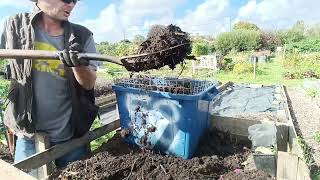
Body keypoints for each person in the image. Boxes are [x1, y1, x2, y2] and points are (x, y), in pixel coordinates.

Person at [0, 0, 100, 171]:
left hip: (70, 136)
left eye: (75, 1)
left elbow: (89, 84)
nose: (72, 5)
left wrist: (78, 64)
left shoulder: (82, 36)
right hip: (28, 133)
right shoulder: (14, 26)